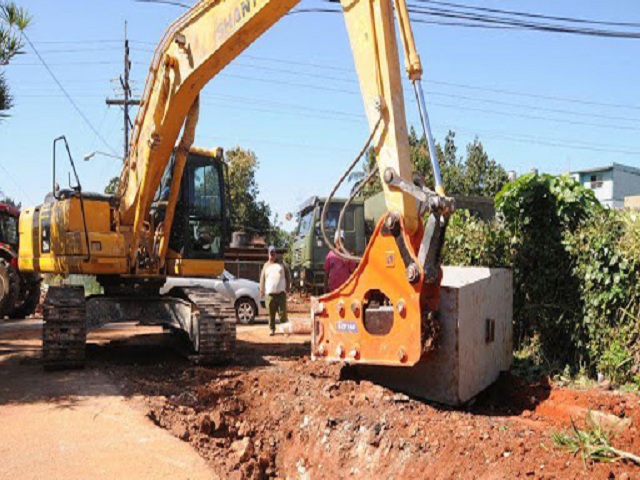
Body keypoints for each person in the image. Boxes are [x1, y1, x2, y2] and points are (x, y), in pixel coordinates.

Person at [259, 245, 291, 336]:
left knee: (282, 313)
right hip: (270, 294)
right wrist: (261, 290)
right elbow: (262, 279)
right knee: (271, 313)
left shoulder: (282, 264)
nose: (272, 255)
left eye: (273, 253)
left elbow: (288, 276)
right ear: (268, 254)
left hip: (281, 293)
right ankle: (272, 329)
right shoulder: (266, 265)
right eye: (270, 253)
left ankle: (285, 330)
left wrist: (288, 287)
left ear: (276, 254)